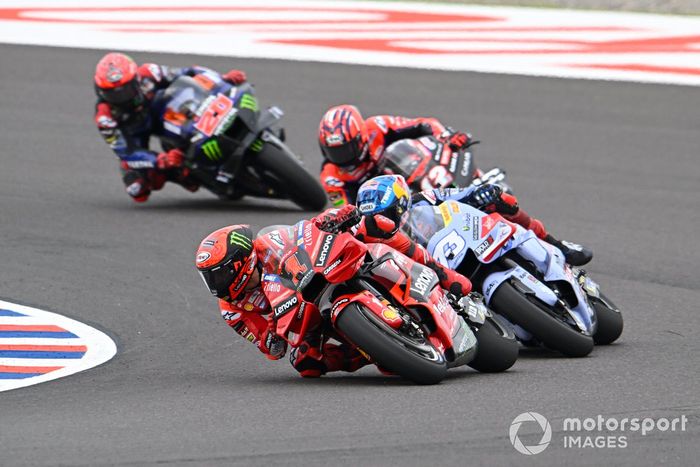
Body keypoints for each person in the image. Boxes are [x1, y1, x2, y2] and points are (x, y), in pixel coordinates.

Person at [195, 209, 472, 378]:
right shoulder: (231, 309)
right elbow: (269, 346)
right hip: (303, 315)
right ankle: (374, 351)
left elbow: (302, 233)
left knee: (374, 225)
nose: (216, 283)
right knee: (306, 364)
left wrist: (331, 219)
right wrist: (275, 338)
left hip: (321, 272)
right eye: (210, 277)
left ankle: (443, 274)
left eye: (219, 273)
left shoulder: (267, 244)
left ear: (241, 261)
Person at [93, 52, 248, 202]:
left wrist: (221, 78)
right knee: (137, 189)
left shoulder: (149, 72)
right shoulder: (105, 118)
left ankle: (209, 124)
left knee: (187, 88)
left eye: (126, 90)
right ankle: (183, 174)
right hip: (136, 133)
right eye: (113, 94)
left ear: (136, 79)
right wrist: (159, 160)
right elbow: (126, 152)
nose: (122, 98)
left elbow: (189, 72)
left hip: (161, 109)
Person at [357, 174, 592, 266]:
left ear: (400, 204)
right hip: (438, 267)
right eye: (374, 219)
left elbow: (454, 194)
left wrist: (479, 192)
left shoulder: (421, 199)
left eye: (386, 214)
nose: (381, 222)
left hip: (464, 236)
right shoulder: (377, 243)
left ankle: (556, 243)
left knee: (502, 203)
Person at [317, 104, 475, 206]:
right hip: (383, 201)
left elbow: (424, 124)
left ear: (361, 138)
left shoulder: (377, 126)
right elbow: (346, 209)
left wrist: (445, 136)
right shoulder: (331, 177)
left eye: (345, 149)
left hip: (408, 174)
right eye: (334, 152)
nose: (341, 157)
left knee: (405, 149)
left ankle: (466, 180)